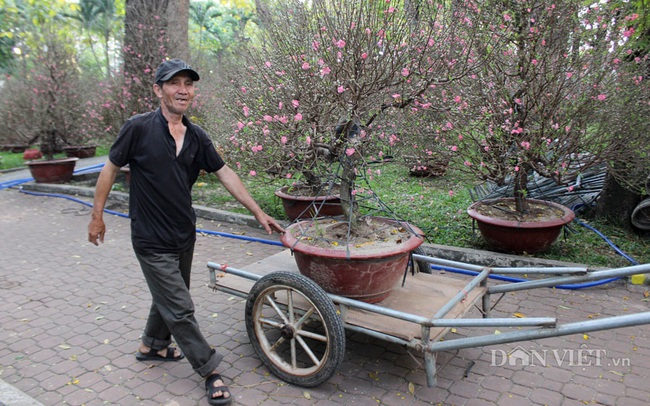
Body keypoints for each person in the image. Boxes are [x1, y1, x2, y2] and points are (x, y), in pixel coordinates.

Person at [88, 58, 285, 405]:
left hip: (183, 233)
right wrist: (97, 216)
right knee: (180, 307)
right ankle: (210, 370)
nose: (183, 90)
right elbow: (110, 169)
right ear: (158, 89)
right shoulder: (137, 128)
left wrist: (258, 212)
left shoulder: (196, 135)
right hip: (150, 237)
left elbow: (225, 173)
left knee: (169, 296)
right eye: (174, 83)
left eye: (188, 84)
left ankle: (152, 345)